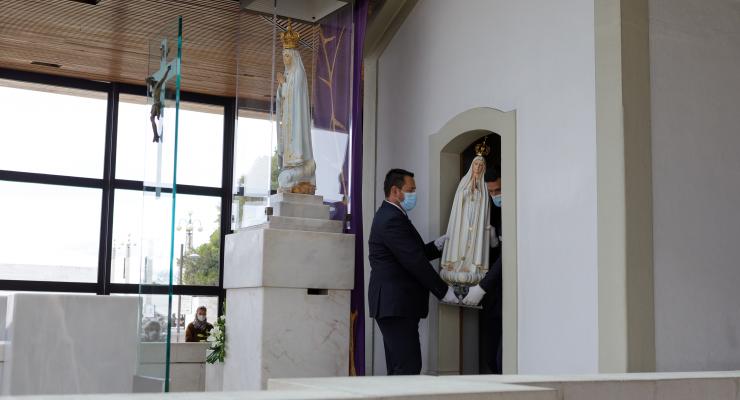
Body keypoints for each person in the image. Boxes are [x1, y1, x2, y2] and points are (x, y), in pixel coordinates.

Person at [368, 168, 458, 375]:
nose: (414, 194)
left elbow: (409, 253)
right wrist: (444, 292)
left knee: (399, 369)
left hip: (396, 304)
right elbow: (413, 260)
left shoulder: (393, 214)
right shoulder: (391, 218)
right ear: (395, 190)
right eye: (411, 190)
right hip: (396, 304)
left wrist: (436, 246)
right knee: (407, 369)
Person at [463, 167, 503, 373]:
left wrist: (482, 287)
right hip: (492, 297)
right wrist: (494, 247)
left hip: (503, 291)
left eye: (498, 190)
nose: (495, 196)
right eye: (491, 192)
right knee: (489, 355)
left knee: (502, 357)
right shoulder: (489, 209)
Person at [440, 155, 491, 291]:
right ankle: (458, 264)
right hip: (463, 222)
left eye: (481, 165)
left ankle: (471, 266)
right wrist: (468, 191)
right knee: (462, 241)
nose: (478, 168)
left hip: (476, 222)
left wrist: (478, 192)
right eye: (476, 164)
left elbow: (485, 207)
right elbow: (458, 201)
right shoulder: (464, 180)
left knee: (473, 243)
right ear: (472, 166)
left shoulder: (485, 185)